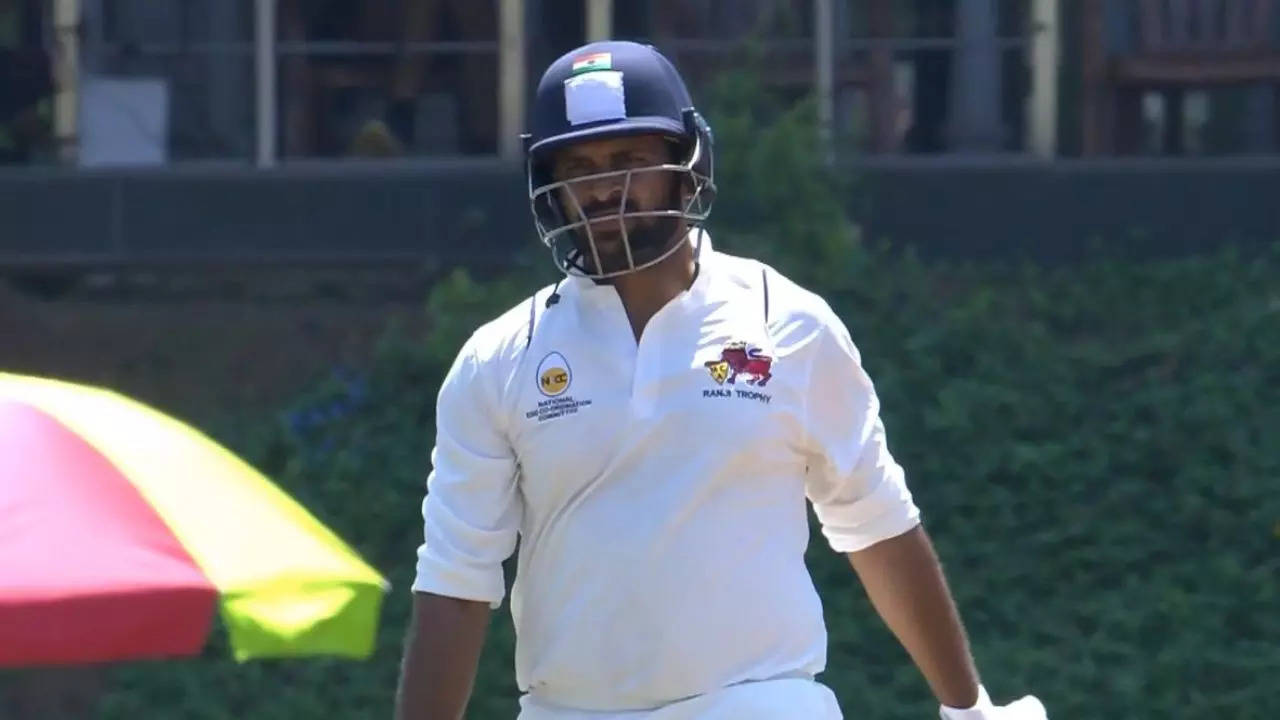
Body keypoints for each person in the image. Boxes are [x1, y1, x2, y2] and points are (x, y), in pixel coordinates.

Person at [395, 40, 1048, 720]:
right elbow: (456, 580)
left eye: (629, 160)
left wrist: (969, 709)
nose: (603, 187)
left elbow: (877, 521)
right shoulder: (501, 357)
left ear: (687, 166)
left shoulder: (787, 323)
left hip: (761, 701)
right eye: (579, 167)